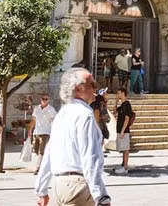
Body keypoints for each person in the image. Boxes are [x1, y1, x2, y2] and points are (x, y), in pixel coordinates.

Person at [35, 68, 111, 206]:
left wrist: (42, 189)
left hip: (59, 185)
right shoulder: (85, 115)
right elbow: (90, 157)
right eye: (92, 84)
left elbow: (50, 153)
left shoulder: (62, 114)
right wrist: (101, 196)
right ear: (78, 88)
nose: (96, 88)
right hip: (78, 186)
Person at [28, 94, 57, 175]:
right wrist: (30, 130)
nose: (44, 100)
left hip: (46, 132)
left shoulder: (51, 109)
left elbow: (55, 120)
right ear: (40, 99)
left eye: (46, 99)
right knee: (36, 150)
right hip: (36, 132)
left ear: (48, 100)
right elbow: (33, 120)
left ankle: (38, 168)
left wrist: (54, 131)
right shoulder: (36, 108)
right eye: (43, 99)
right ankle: (47, 162)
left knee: (41, 151)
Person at [115, 88, 134, 174]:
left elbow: (127, 118)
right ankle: (123, 164)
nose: (118, 95)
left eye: (119, 93)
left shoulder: (127, 104)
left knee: (126, 149)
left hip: (124, 130)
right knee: (123, 148)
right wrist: (116, 102)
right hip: (120, 129)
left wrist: (123, 130)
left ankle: (125, 167)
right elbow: (114, 112)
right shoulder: (122, 105)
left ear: (123, 93)